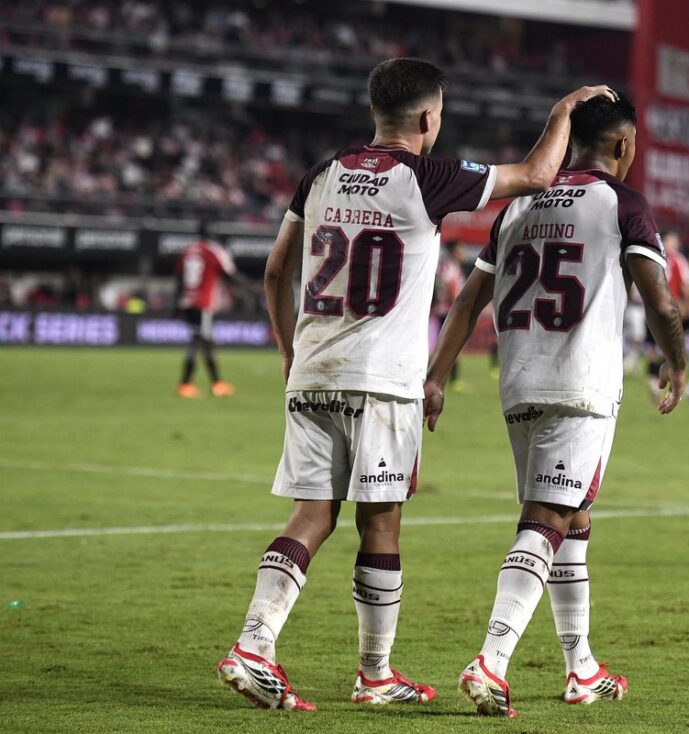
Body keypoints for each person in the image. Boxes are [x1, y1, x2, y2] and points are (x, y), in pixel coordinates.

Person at [215, 56, 616, 711]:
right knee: (381, 525)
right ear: (429, 117)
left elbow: (274, 271)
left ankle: (256, 643)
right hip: (382, 382)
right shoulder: (429, 177)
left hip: (312, 371)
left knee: (311, 515)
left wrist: (290, 351)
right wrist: (563, 112)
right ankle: (371, 674)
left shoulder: (320, 175)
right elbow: (538, 174)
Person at [423, 94, 687, 717]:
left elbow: (468, 303)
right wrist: (675, 358)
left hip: (518, 381)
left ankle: (582, 667)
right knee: (547, 515)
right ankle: (491, 659)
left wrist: (438, 376)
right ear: (623, 146)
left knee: (574, 517)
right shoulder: (623, 204)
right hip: (581, 385)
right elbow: (660, 302)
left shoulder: (518, 204)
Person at [175, 226, 239, 398]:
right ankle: (192, 384)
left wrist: (176, 303)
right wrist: (254, 286)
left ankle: (212, 383)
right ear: (210, 235)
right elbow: (229, 273)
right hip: (203, 304)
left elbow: (179, 278)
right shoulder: (213, 250)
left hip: (187, 302)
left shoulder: (188, 251)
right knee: (201, 342)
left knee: (201, 340)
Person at [645, 229, 689, 402]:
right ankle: (672, 382)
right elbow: (686, 285)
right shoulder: (677, 259)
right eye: (674, 240)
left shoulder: (651, 255)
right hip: (670, 309)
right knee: (671, 349)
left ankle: (653, 385)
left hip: (650, 308)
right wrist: (687, 306)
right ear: (666, 241)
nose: (676, 244)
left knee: (652, 349)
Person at [433, 240, 466, 389]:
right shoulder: (449, 266)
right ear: (454, 251)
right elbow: (447, 285)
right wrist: (454, 303)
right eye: (461, 248)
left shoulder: (451, 266)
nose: (463, 252)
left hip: (448, 310)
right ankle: (447, 379)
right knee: (450, 344)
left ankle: (450, 378)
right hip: (448, 310)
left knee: (448, 344)